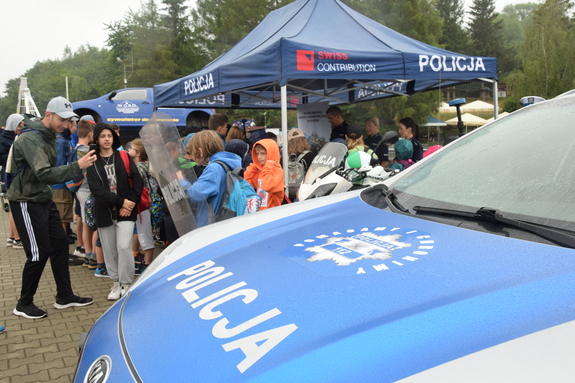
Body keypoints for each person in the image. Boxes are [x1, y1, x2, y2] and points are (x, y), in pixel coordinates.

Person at [7, 96, 97, 319]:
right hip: (26, 200)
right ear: (48, 115)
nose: (66, 125)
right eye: (63, 120)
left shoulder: (49, 136)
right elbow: (45, 173)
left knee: (59, 246)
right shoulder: (32, 138)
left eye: (69, 121)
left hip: (42, 199)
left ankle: (64, 296)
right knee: (39, 253)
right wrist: (78, 165)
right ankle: (23, 304)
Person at [87, 123, 143, 300]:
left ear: (114, 138)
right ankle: (116, 283)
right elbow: (97, 190)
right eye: (102, 136)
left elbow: (138, 181)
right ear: (96, 138)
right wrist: (122, 202)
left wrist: (131, 203)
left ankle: (127, 283)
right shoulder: (92, 162)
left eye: (109, 136)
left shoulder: (123, 156)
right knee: (110, 250)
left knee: (124, 246)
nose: (106, 139)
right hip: (105, 211)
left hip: (127, 211)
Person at [178, 130, 242, 227]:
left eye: (192, 152)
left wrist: (180, 179)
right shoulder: (226, 163)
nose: (192, 157)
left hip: (211, 224)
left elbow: (195, 194)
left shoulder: (214, 168)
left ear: (200, 151)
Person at [127, 138, 155, 274]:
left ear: (137, 153)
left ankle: (148, 263)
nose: (128, 150)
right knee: (141, 232)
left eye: (130, 148)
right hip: (142, 205)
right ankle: (143, 259)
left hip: (142, 206)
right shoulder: (142, 166)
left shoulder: (138, 168)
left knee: (144, 233)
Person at [1, 114, 24, 248]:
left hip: (11, 174)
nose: (21, 126)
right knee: (16, 208)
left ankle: (11, 236)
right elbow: (3, 158)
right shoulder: (5, 139)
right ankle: (17, 238)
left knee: (12, 208)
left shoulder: (9, 138)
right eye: (19, 123)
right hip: (11, 175)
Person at [244, 138, 284, 210]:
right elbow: (247, 183)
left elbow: (267, 186)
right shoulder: (261, 170)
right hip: (259, 211)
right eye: (257, 153)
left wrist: (267, 168)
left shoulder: (278, 171)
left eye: (263, 153)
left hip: (272, 212)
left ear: (271, 154)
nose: (259, 157)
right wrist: (252, 168)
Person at [286, 128, 316, 200]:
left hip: (287, 194)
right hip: (303, 193)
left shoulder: (283, 159)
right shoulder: (311, 156)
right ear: (304, 140)